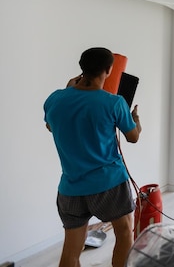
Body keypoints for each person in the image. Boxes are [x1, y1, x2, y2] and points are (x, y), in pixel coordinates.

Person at [44, 47, 142, 267]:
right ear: (109, 70)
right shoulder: (114, 103)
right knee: (125, 234)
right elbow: (133, 137)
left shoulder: (54, 99)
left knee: (71, 249)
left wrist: (68, 91)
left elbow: (52, 126)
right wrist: (135, 119)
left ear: (81, 68)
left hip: (70, 188)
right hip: (109, 184)